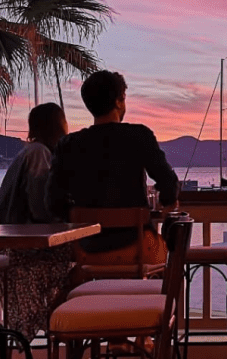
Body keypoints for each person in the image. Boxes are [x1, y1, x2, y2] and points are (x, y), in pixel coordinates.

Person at [47, 70, 179, 259]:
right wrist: (167, 203)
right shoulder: (140, 136)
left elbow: (53, 202)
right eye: (123, 98)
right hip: (138, 250)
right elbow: (169, 184)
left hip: (87, 253)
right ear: (118, 101)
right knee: (169, 257)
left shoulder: (68, 145)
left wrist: (79, 217)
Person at [0, 102, 75, 340]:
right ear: (58, 126)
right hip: (26, 247)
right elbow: (41, 209)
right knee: (84, 264)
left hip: (14, 243)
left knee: (82, 264)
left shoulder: (31, 152)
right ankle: (59, 323)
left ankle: (53, 321)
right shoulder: (39, 154)